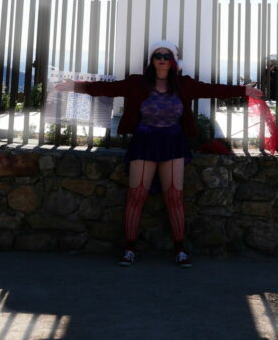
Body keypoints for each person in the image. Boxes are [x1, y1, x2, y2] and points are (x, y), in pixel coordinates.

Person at [54, 40, 262, 267]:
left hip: (173, 142)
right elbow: (106, 88)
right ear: (151, 60)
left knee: (174, 196)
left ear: (173, 61)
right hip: (144, 141)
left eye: (166, 56)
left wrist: (244, 90)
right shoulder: (137, 83)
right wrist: (74, 85)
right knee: (136, 195)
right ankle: (129, 248)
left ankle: (180, 250)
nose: (162, 59)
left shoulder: (184, 84)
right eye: (158, 55)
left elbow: (212, 89)